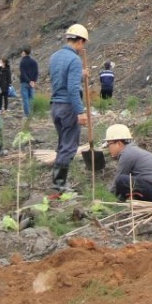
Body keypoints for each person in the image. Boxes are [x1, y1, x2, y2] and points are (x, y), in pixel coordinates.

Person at [48, 24, 91, 195]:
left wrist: (81, 73)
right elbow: (73, 88)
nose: (83, 48)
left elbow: (61, 77)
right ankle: (60, 185)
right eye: (84, 43)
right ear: (79, 41)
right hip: (68, 108)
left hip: (56, 106)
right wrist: (80, 112)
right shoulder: (75, 60)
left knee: (62, 143)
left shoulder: (55, 57)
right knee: (69, 146)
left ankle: (58, 181)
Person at [103, 123, 152, 202]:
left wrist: (106, 200)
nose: (108, 148)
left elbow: (117, 184)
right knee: (127, 182)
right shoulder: (133, 151)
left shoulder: (127, 154)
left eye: (109, 144)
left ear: (119, 143)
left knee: (121, 180)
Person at [18, 48, 39, 118]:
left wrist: (28, 81)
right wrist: (33, 81)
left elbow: (23, 73)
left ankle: (27, 114)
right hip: (32, 83)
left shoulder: (22, 62)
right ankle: (32, 113)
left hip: (25, 82)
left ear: (24, 52)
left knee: (25, 98)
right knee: (32, 98)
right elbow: (36, 72)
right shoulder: (34, 61)